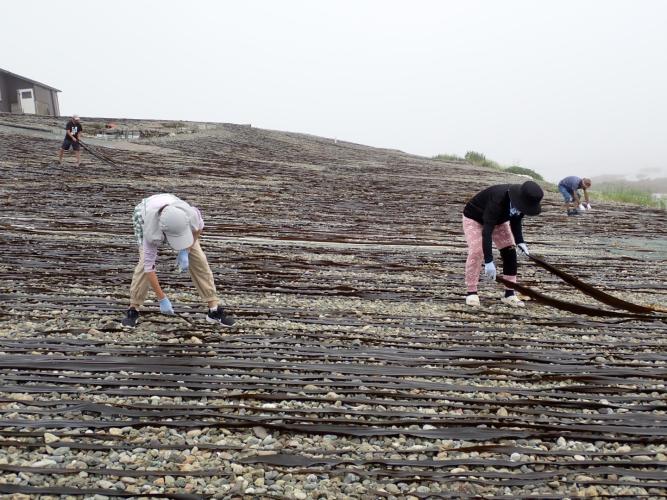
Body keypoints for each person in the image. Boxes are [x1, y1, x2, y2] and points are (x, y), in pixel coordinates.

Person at [121, 193, 235, 328]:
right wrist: (162, 298)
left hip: (174, 209)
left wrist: (186, 251)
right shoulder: (150, 232)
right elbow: (148, 267)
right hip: (144, 214)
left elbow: (198, 229)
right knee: (142, 263)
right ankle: (133, 308)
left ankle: (214, 310)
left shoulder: (190, 215)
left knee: (199, 259)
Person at [462, 180, 544, 307]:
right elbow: (487, 231)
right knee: (477, 251)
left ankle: (509, 294)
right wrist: (489, 260)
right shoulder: (498, 200)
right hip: (475, 218)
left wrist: (520, 242)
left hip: (499, 222)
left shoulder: (522, 201)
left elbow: (516, 220)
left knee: (510, 250)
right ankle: (471, 292)